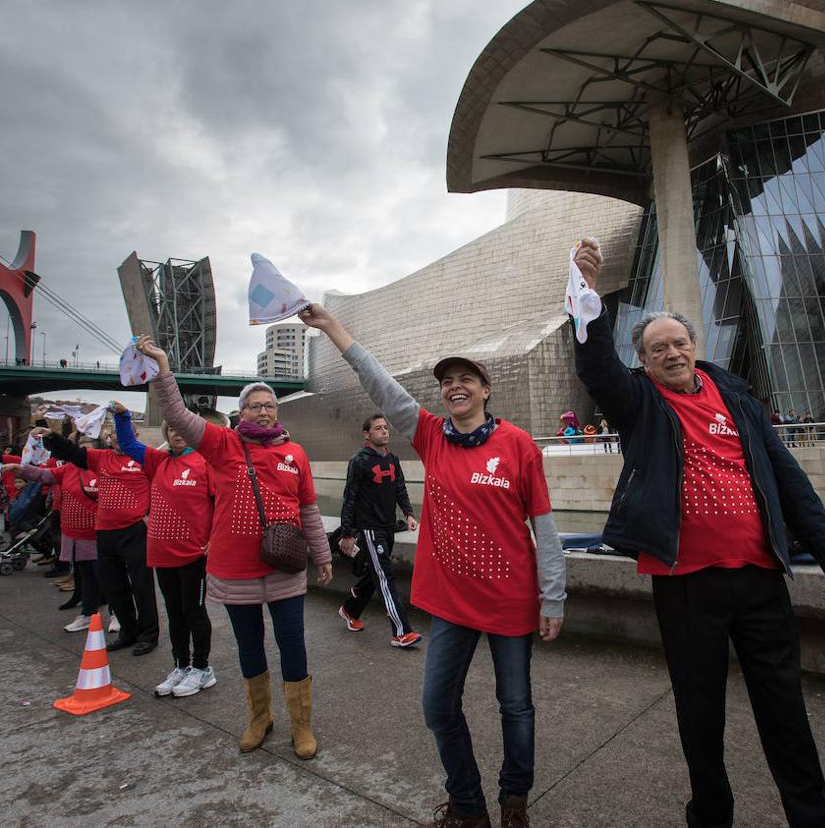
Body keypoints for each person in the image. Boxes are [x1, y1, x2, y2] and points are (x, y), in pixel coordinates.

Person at [571, 237, 825, 828]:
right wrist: (585, 296)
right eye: (658, 348)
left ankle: (812, 815)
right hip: (686, 584)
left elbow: (784, 472)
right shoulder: (640, 402)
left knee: (784, 705)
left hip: (759, 577)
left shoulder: (738, 399)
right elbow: (596, 368)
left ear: (694, 349)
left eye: (679, 343)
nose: (672, 354)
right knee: (699, 710)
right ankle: (711, 814)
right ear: (644, 362)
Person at [301, 303, 566, 828]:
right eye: (447, 381)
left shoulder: (517, 446)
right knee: (437, 707)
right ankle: (469, 806)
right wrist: (332, 327)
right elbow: (379, 384)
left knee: (516, 707)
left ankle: (514, 802)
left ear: (486, 390)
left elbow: (545, 529)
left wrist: (552, 595)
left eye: (466, 379)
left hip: (511, 600)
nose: (455, 386)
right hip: (450, 604)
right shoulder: (429, 436)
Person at [138, 335, 333, 758]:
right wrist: (163, 367)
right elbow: (177, 414)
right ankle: (259, 719)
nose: (264, 411)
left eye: (270, 405)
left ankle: (302, 726)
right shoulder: (222, 445)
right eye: (255, 405)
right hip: (235, 569)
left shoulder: (295, 453)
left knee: (293, 644)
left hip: (284, 566)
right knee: (249, 646)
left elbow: (309, 509)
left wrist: (323, 554)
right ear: (240, 412)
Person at [111, 400, 222, 698]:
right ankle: (181, 665)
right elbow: (127, 444)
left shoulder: (205, 463)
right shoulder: (158, 462)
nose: (177, 433)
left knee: (193, 611)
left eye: (182, 427)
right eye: (171, 428)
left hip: (193, 554)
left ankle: (202, 668)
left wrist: (216, 537)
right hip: (161, 553)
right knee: (173, 613)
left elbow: (223, 503)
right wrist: (122, 416)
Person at [42, 420, 159, 657]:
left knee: (142, 586)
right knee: (114, 586)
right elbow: (72, 453)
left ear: (133, 434)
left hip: (134, 530)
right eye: (112, 434)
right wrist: (52, 436)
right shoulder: (100, 458)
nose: (116, 438)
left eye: (121, 434)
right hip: (104, 532)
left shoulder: (145, 458)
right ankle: (128, 631)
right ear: (107, 438)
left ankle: (148, 635)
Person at [337, 413, 422, 648]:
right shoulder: (359, 461)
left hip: (388, 527)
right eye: (378, 428)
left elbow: (400, 487)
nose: (384, 431)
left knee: (375, 576)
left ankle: (349, 609)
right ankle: (401, 631)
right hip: (370, 530)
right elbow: (349, 499)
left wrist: (409, 513)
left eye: (386, 427)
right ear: (367, 434)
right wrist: (347, 532)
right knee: (385, 577)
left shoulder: (392, 459)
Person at [4, 437, 105, 632]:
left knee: (106, 576)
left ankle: (119, 614)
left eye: (87, 450)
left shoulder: (103, 470)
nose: (81, 454)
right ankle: (87, 613)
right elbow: (44, 475)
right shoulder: (67, 469)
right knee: (86, 576)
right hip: (75, 533)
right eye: (79, 449)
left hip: (100, 534)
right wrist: (21, 470)